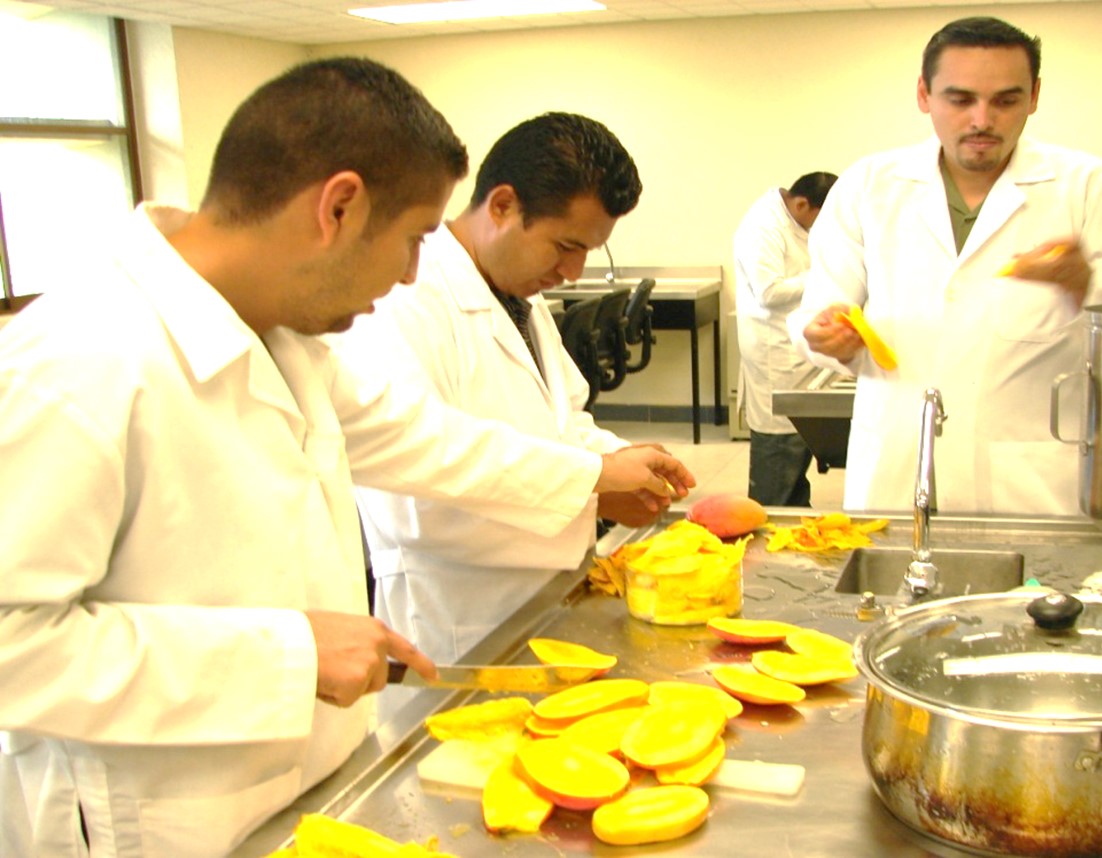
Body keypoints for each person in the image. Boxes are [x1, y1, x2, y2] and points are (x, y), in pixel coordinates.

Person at [0, 58, 692, 857]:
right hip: (160, 821)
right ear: (338, 207)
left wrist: (590, 474)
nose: (407, 275)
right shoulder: (76, 365)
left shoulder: (282, 337)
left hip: (303, 779)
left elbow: (425, 439)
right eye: (410, 241)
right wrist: (287, 655)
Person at [789, 16, 1102, 516]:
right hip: (897, 470)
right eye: (960, 99)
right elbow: (821, 310)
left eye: (1006, 100)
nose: (982, 119)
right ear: (924, 94)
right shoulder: (868, 187)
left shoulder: (1087, 188)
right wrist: (824, 337)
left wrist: (1089, 283)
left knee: (1032, 594)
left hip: (1031, 487)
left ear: (1034, 97)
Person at [334, 112, 669, 663]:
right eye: (564, 245)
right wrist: (593, 486)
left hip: (547, 600)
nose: (574, 271)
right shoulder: (402, 302)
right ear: (503, 206)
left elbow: (564, 422)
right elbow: (413, 500)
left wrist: (619, 457)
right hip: (459, 625)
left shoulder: (519, 290)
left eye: (587, 249)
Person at [734, 171, 838, 507]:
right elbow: (769, 291)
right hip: (773, 352)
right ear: (803, 203)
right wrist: (823, 277)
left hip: (792, 349)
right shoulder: (763, 228)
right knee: (777, 454)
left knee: (796, 455)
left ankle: (795, 514)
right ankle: (770, 531)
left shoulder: (794, 220)